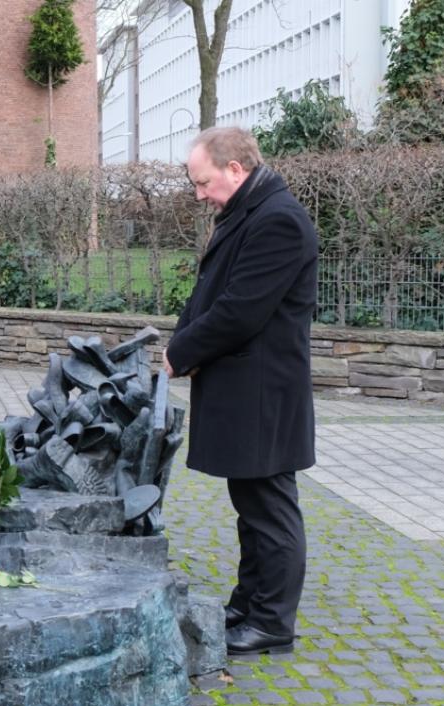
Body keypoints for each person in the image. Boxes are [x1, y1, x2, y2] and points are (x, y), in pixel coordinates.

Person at [164, 126, 317, 656]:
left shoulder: (279, 221)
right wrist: (179, 341)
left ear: (236, 168)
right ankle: (250, 601)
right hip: (245, 390)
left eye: (204, 182)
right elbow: (210, 293)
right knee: (251, 506)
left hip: (264, 394)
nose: (199, 194)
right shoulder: (247, 212)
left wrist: (181, 353)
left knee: (270, 509)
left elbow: (240, 311)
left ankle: (273, 621)